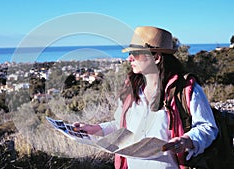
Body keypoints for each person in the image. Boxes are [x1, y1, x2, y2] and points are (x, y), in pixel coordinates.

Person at [73, 26, 218, 169]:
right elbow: (122, 127)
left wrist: (187, 140)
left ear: (156, 57)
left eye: (136, 53)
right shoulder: (131, 91)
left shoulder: (185, 89)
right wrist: (94, 129)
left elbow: (208, 127)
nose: (130, 59)